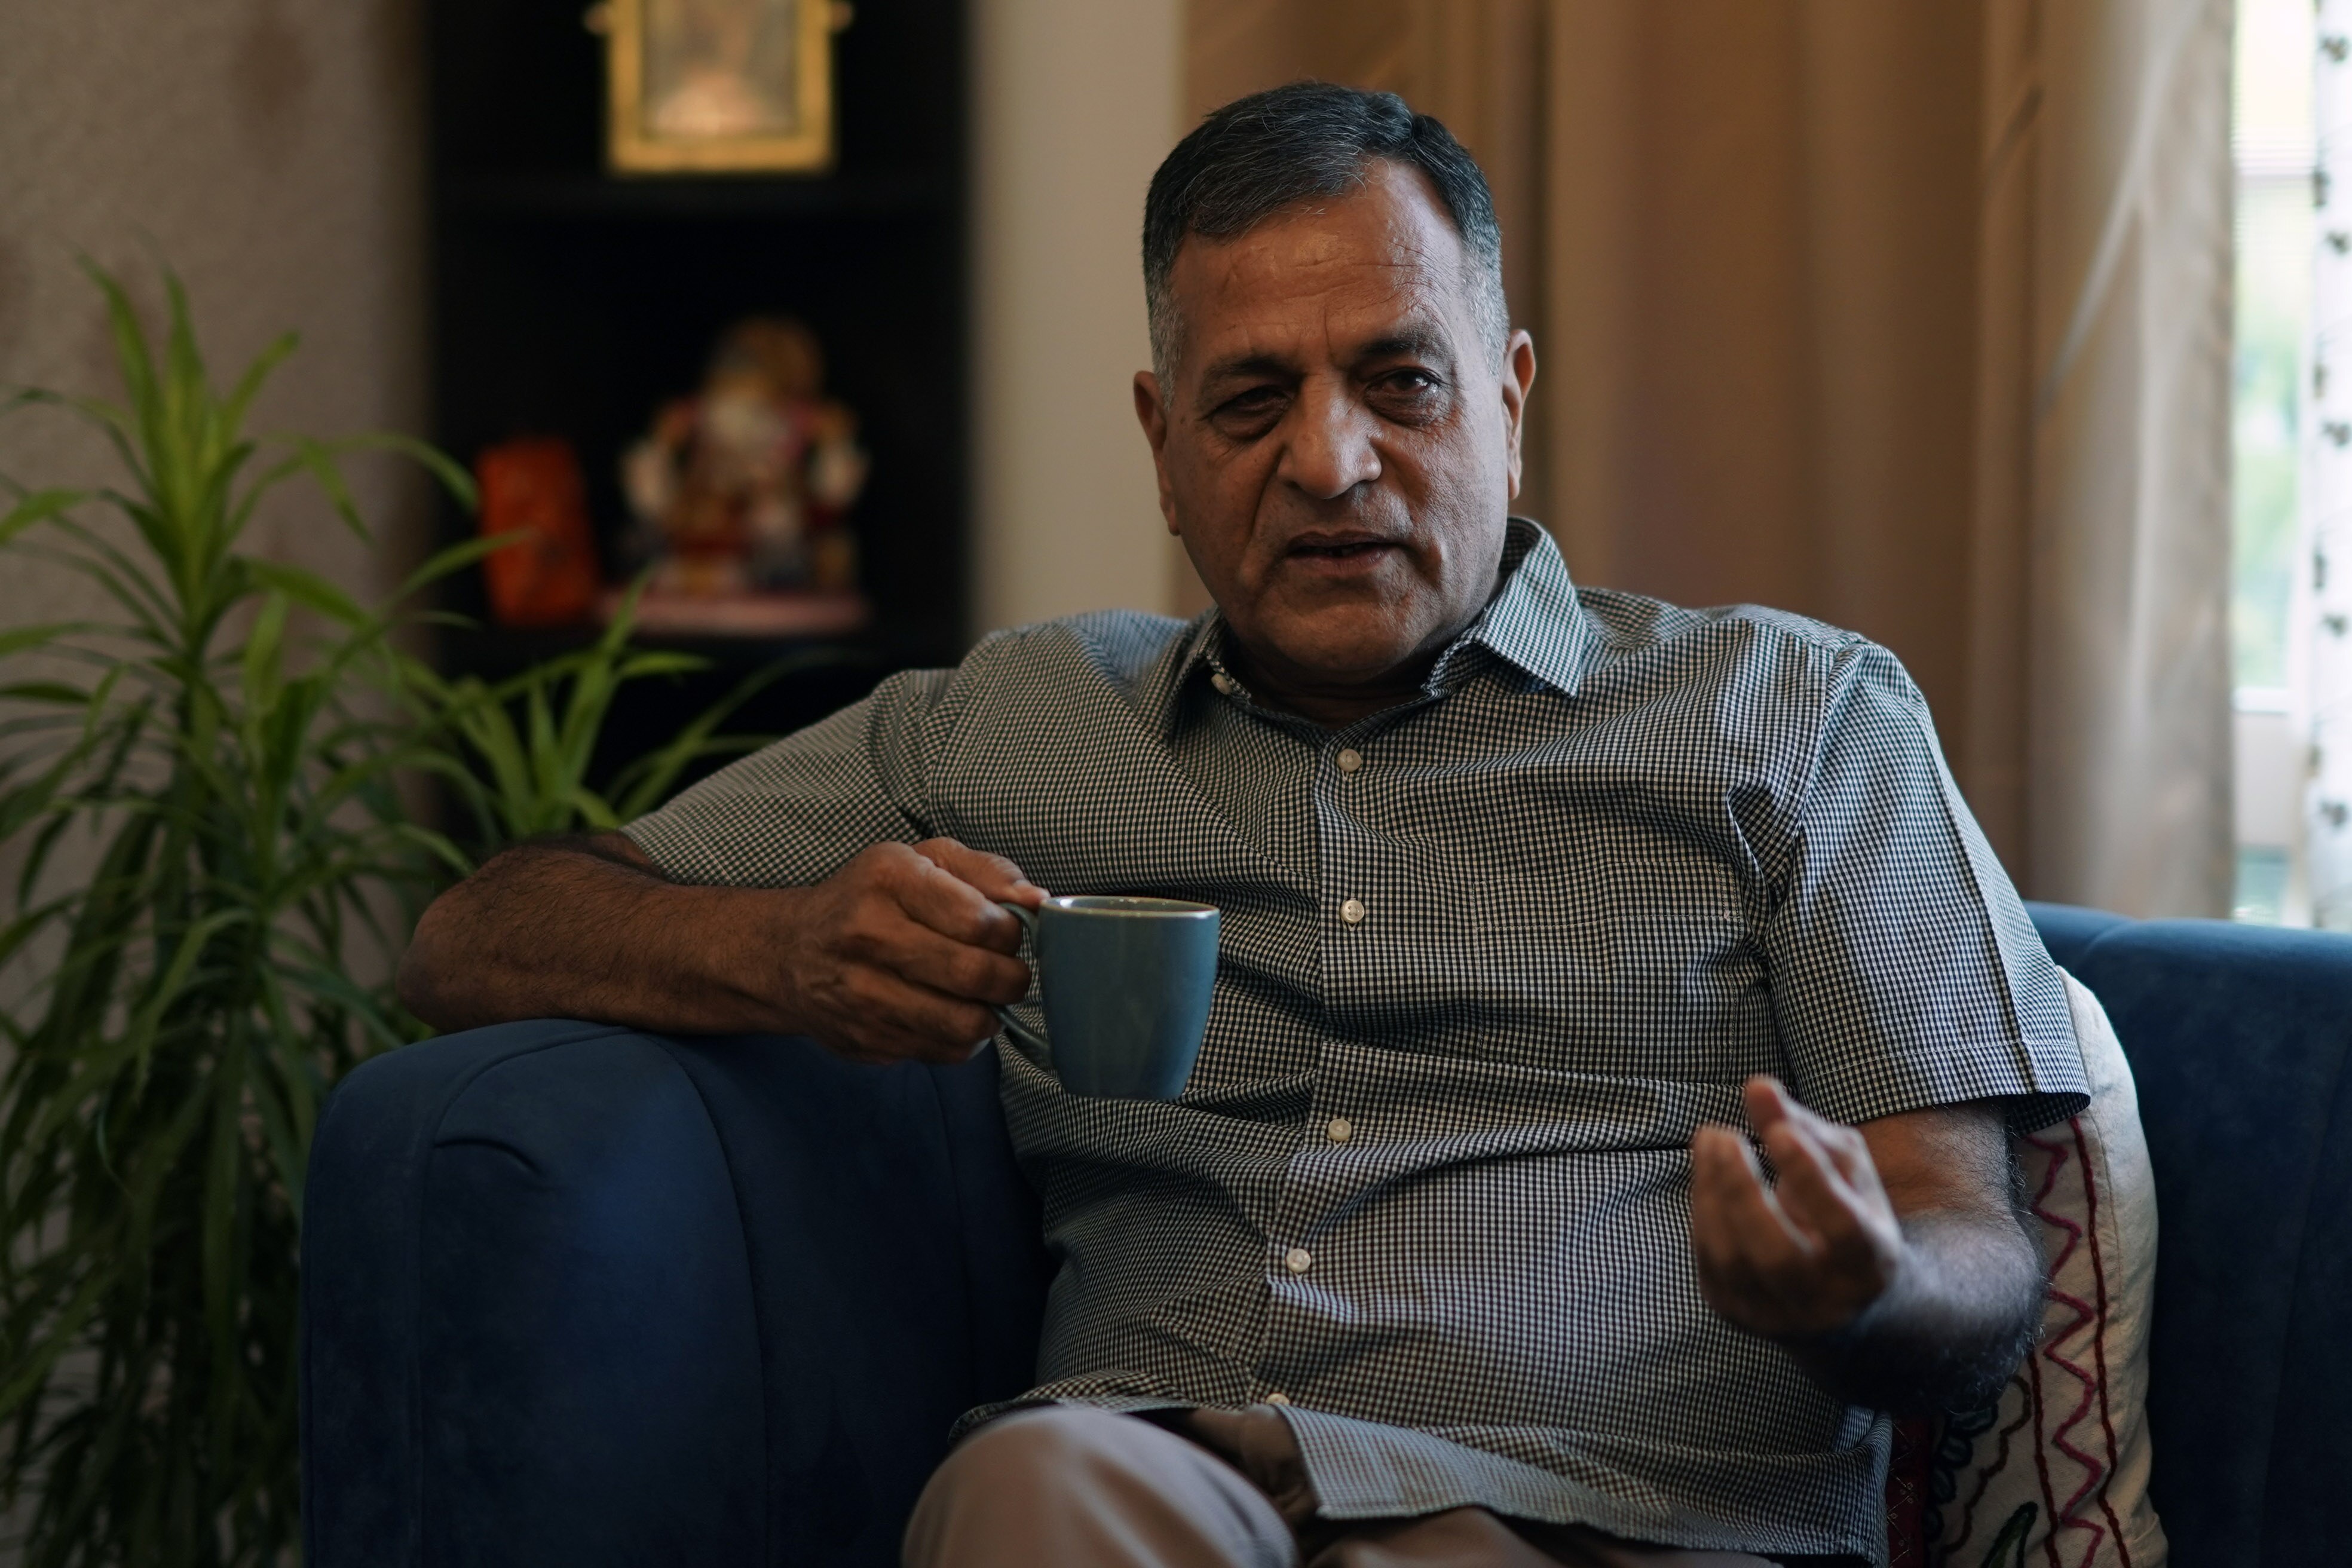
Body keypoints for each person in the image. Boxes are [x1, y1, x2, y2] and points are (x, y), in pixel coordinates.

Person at [400, 82, 2087, 1568]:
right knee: (1027, 1488)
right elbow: (473, 934)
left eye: (1399, 382)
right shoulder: (1017, 720)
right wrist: (781, 950)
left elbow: (1972, 1251)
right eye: (1250, 401)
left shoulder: (1796, 714)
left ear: (1508, 401)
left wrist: (1864, 1287)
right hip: (1161, 1472)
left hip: (1614, 1506)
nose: (1329, 462)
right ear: (1162, 444)